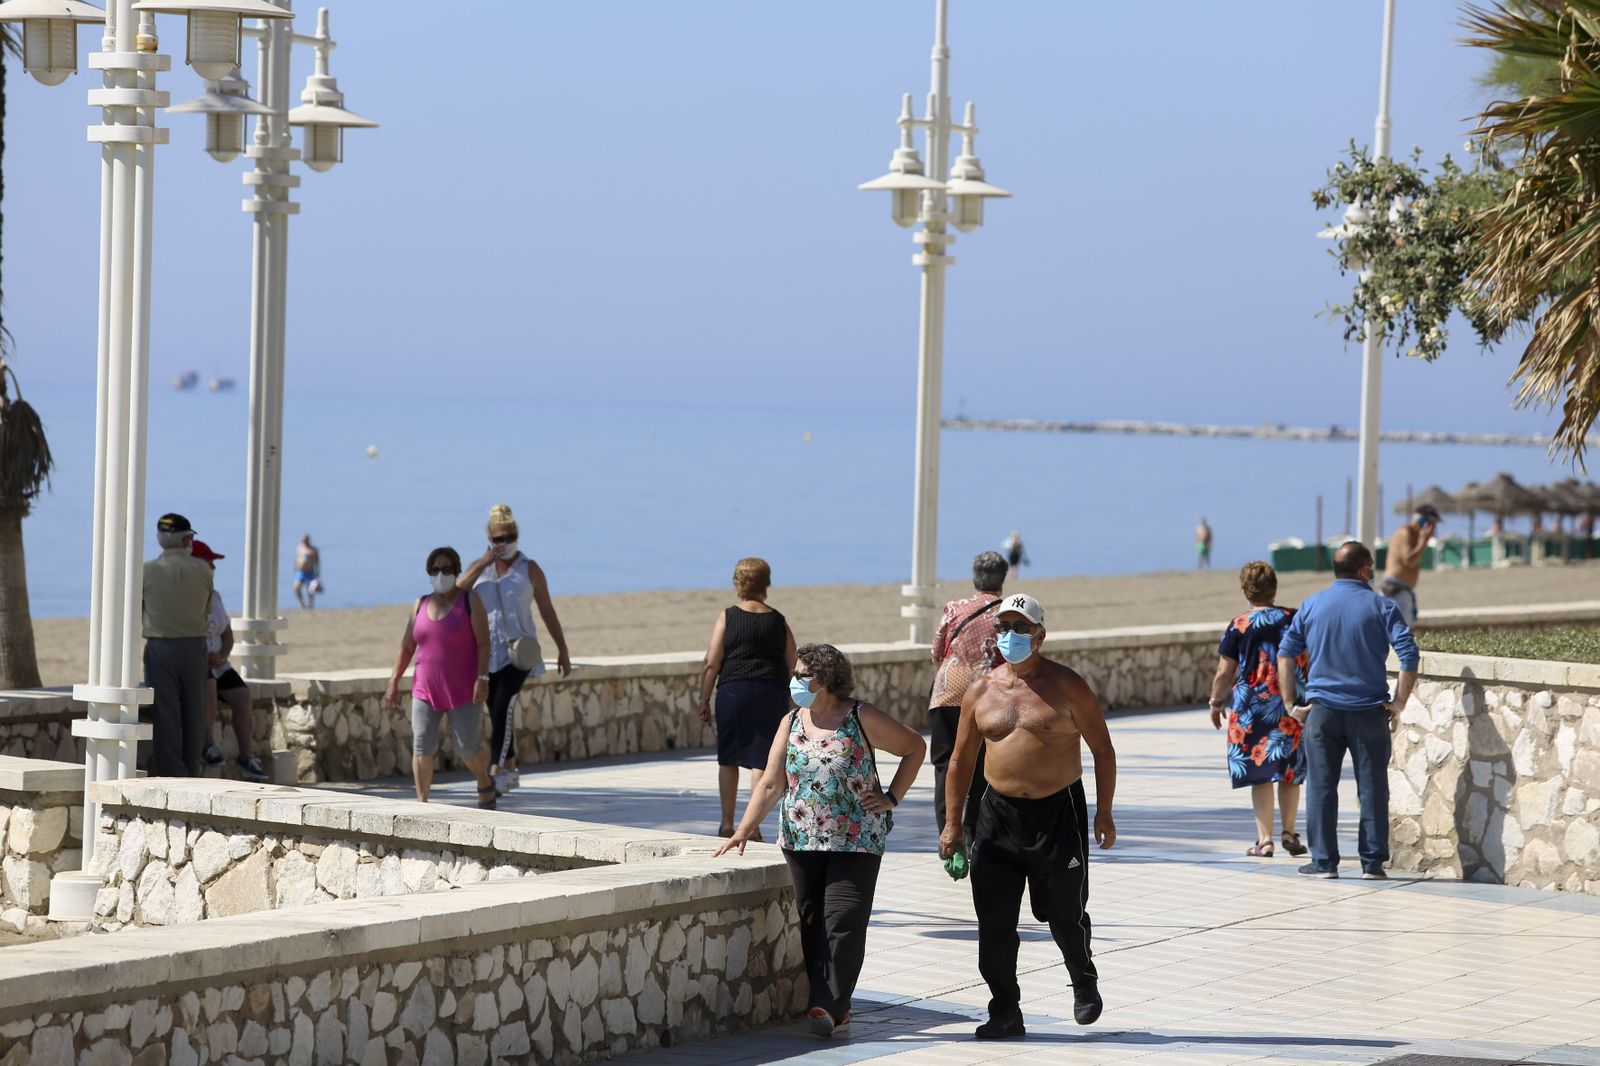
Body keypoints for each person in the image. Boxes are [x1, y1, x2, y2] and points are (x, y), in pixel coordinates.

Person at [716, 643, 926, 1039]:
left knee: (843, 920)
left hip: (856, 837)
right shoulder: (791, 721)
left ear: (825, 680)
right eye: (794, 674)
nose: (794, 681)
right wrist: (742, 830)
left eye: (802, 675)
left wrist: (892, 797)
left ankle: (829, 1005)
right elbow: (771, 782)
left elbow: (915, 747)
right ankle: (831, 1003)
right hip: (801, 838)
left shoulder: (860, 716)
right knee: (812, 921)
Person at [941, 593, 1117, 1040]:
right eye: (1003, 627)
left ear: (1040, 635)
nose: (1010, 635)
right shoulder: (980, 690)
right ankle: (1004, 1009)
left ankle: (1083, 978)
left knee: (1065, 912)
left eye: (1020, 628)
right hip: (997, 815)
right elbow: (960, 760)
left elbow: (1102, 749)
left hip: (1058, 812)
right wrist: (953, 824)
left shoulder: (1068, 685)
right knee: (994, 921)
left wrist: (1104, 812)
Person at [1277, 541, 1418, 880]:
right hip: (1369, 711)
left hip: (1322, 712)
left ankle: (1324, 862)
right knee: (1372, 788)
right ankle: (1372, 863)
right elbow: (1409, 655)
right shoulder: (1382, 607)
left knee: (1321, 787)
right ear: (1365, 569)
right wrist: (1399, 702)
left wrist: (1290, 703)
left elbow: (1285, 654)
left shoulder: (1312, 604)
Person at [458, 504, 573, 795]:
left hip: (520, 653)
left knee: (502, 708)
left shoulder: (529, 569)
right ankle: (511, 769)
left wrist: (562, 649)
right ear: (490, 540)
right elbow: (457, 590)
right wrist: (483, 563)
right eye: (499, 538)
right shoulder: (481, 570)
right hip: (488, 653)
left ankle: (496, 772)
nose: (505, 543)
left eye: (510, 537)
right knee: (496, 711)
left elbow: (547, 610)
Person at [383, 547, 497, 808]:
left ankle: (483, 780)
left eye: (446, 569)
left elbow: (483, 642)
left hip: (463, 689)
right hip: (425, 688)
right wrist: (393, 682)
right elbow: (407, 646)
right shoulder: (420, 604)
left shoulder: (470, 601)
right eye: (435, 570)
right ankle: (422, 803)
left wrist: (483, 677)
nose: (440, 574)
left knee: (466, 747)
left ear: (456, 571)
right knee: (421, 745)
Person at [1207, 562, 1306, 857]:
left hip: (1250, 707)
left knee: (1259, 771)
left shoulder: (1239, 625)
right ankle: (1289, 832)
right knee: (1288, 770)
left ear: (1245, 591)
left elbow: (1224, 671)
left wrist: (1215, 702)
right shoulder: (1293, 619)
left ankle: (1265, 841)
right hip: (1288, 704)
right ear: (1274, 588)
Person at [696, 557, 797, 837]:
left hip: (733, 692)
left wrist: (704, 699)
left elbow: (712, 663)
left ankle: (727, 823)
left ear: (738, 583)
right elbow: (793, 663)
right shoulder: (777, 620)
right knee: (761, 761)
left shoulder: (728, 616)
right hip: (770, 693)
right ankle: (752, 826)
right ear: (766, 583)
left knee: (728, 758)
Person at [928, 550, 1008, 840]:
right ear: (1002, 579)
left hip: (947, 693)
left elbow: (937, 652)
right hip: (987, 696)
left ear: (975, 577)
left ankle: (947, 837)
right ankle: (973, 836)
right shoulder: (1007, 612)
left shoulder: (954, 607)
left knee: (945, 766)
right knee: (980, 768)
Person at [142, 513, 214, 777]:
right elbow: (206, 608)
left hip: (160, 647)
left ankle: (171, 772)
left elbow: (139, 608)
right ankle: (192, 770)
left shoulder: (147, 570)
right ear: (186, 539)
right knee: (194, 712)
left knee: (165, 714)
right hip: (194, 647)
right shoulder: (203, 569)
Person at [192, 540, 268, 782]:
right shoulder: (184, 598)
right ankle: (208, 745)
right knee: (210, 685)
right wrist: (206, 658)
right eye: (209, 562)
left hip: (219, 662)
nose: (213, 567)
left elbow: (227, 633)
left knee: (242, 695)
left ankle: (246, 756)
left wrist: (223, 654)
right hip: (196, 663)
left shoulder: (215, 596)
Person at [1381, 504, 1438, 628]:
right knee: (1400, 630)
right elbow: (1409, 560)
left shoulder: (1415, 537)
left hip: (1402, 589)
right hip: (1395, 589)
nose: (1434, 530)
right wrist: (1423, 541)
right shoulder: (1405, 532)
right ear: (1423, 522)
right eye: (1432, 525)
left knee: (1404, 629)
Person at [293, 534, 321, 609]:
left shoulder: (313, 549)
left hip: (310, 571)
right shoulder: (299, 548)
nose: (304, 541)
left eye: (306, 539)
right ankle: (302, 603)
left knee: (310, 590)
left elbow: (317, 561)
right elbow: (296, 559)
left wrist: (318, 572)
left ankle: (310, 605)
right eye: (303, 539)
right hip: (300, 571)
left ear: (309, 540)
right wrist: (294, 569)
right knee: (296, 587)